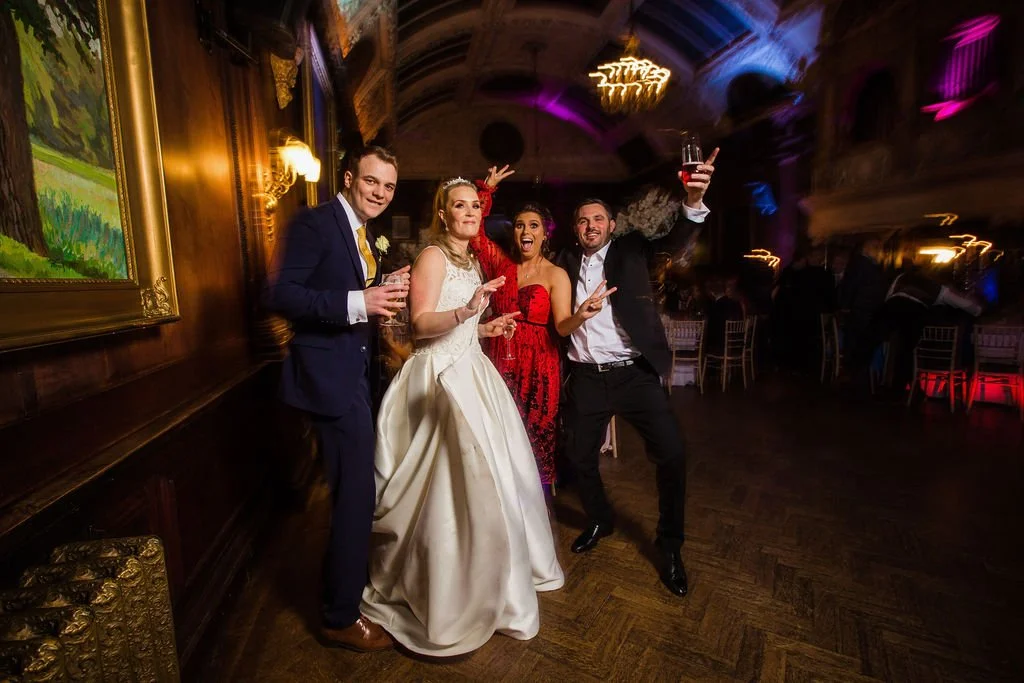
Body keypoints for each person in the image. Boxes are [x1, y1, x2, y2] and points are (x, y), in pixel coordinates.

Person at [360, 178, 564, 657]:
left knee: (494, 477)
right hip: (438, 379)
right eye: (460, 206)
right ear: (444, 213)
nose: (470, 212)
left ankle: (490, 577)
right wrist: (467, 309)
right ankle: (448, 588)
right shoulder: (432, 255)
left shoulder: (471, 259)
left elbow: (462, 323)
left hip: (472, 369)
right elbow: (421, 323)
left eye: (475, 205)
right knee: (448, 486)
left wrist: (485, 323)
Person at [265, 146, 408, 652]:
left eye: (388, 187)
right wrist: (358, 301)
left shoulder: (361, 233)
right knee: (355, 497)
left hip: (355, 375)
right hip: (328, 379)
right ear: (349, 178)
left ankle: (347, 593)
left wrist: (380, 290)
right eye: (372, 182)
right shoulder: (315, 222)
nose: (380, 193)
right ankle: (341, 616)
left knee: (356, 493)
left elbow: (347, 293)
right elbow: (280, 293)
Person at [559, 148, 718, 598]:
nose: (590, 226)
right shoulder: (565, 262)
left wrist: (693, 199)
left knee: (671, 454)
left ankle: (670, 547)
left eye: (597, 220)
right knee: (577, 454)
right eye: (583, 221)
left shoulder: (632, 251)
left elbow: (676, 242)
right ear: (576, 228)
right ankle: (599, 519)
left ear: (611, 225)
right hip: (587, 377)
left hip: (634, 376)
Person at [471, 166, 617, 492]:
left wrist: (581, 314)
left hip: (540, 363)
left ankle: (536, 496)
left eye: (533, 225)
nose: (526, 231)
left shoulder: (555, 275)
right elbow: (476, 235)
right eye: (520, 225)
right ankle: (501, 492)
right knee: (499, 425)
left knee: (536, 428)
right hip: (500, 355)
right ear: (514, 232)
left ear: (544, 233)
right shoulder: (500, 264)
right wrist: (487, 191)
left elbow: (563, 327)